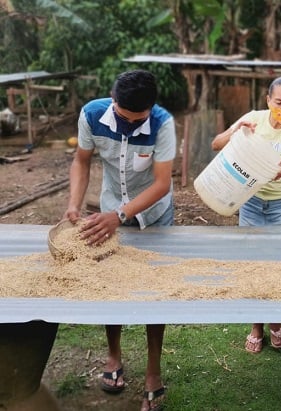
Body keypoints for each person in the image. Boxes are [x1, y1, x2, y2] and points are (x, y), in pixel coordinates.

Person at [63, 69, 175, 411]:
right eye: (122, 117)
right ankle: (114, 356)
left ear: (151, 109)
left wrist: (121, 216)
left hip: (153, 215)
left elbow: (161, 184)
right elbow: (81, 161)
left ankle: (153, 372)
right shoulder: (92, 114)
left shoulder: (163, 124)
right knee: (111, 287)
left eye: (136, 119)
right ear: (113, 101)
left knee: (155, 291)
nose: (127, 125)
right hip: (109, 211)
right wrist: (73, 204)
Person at [212, 76, 281, 353]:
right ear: (268, 100)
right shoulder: (253, 119)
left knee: (280, 266)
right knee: (254, 265)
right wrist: (236, 128)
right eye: (279, 102)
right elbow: (216, 144)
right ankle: (257, 326)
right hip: (252, 201)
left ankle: (275, 322)